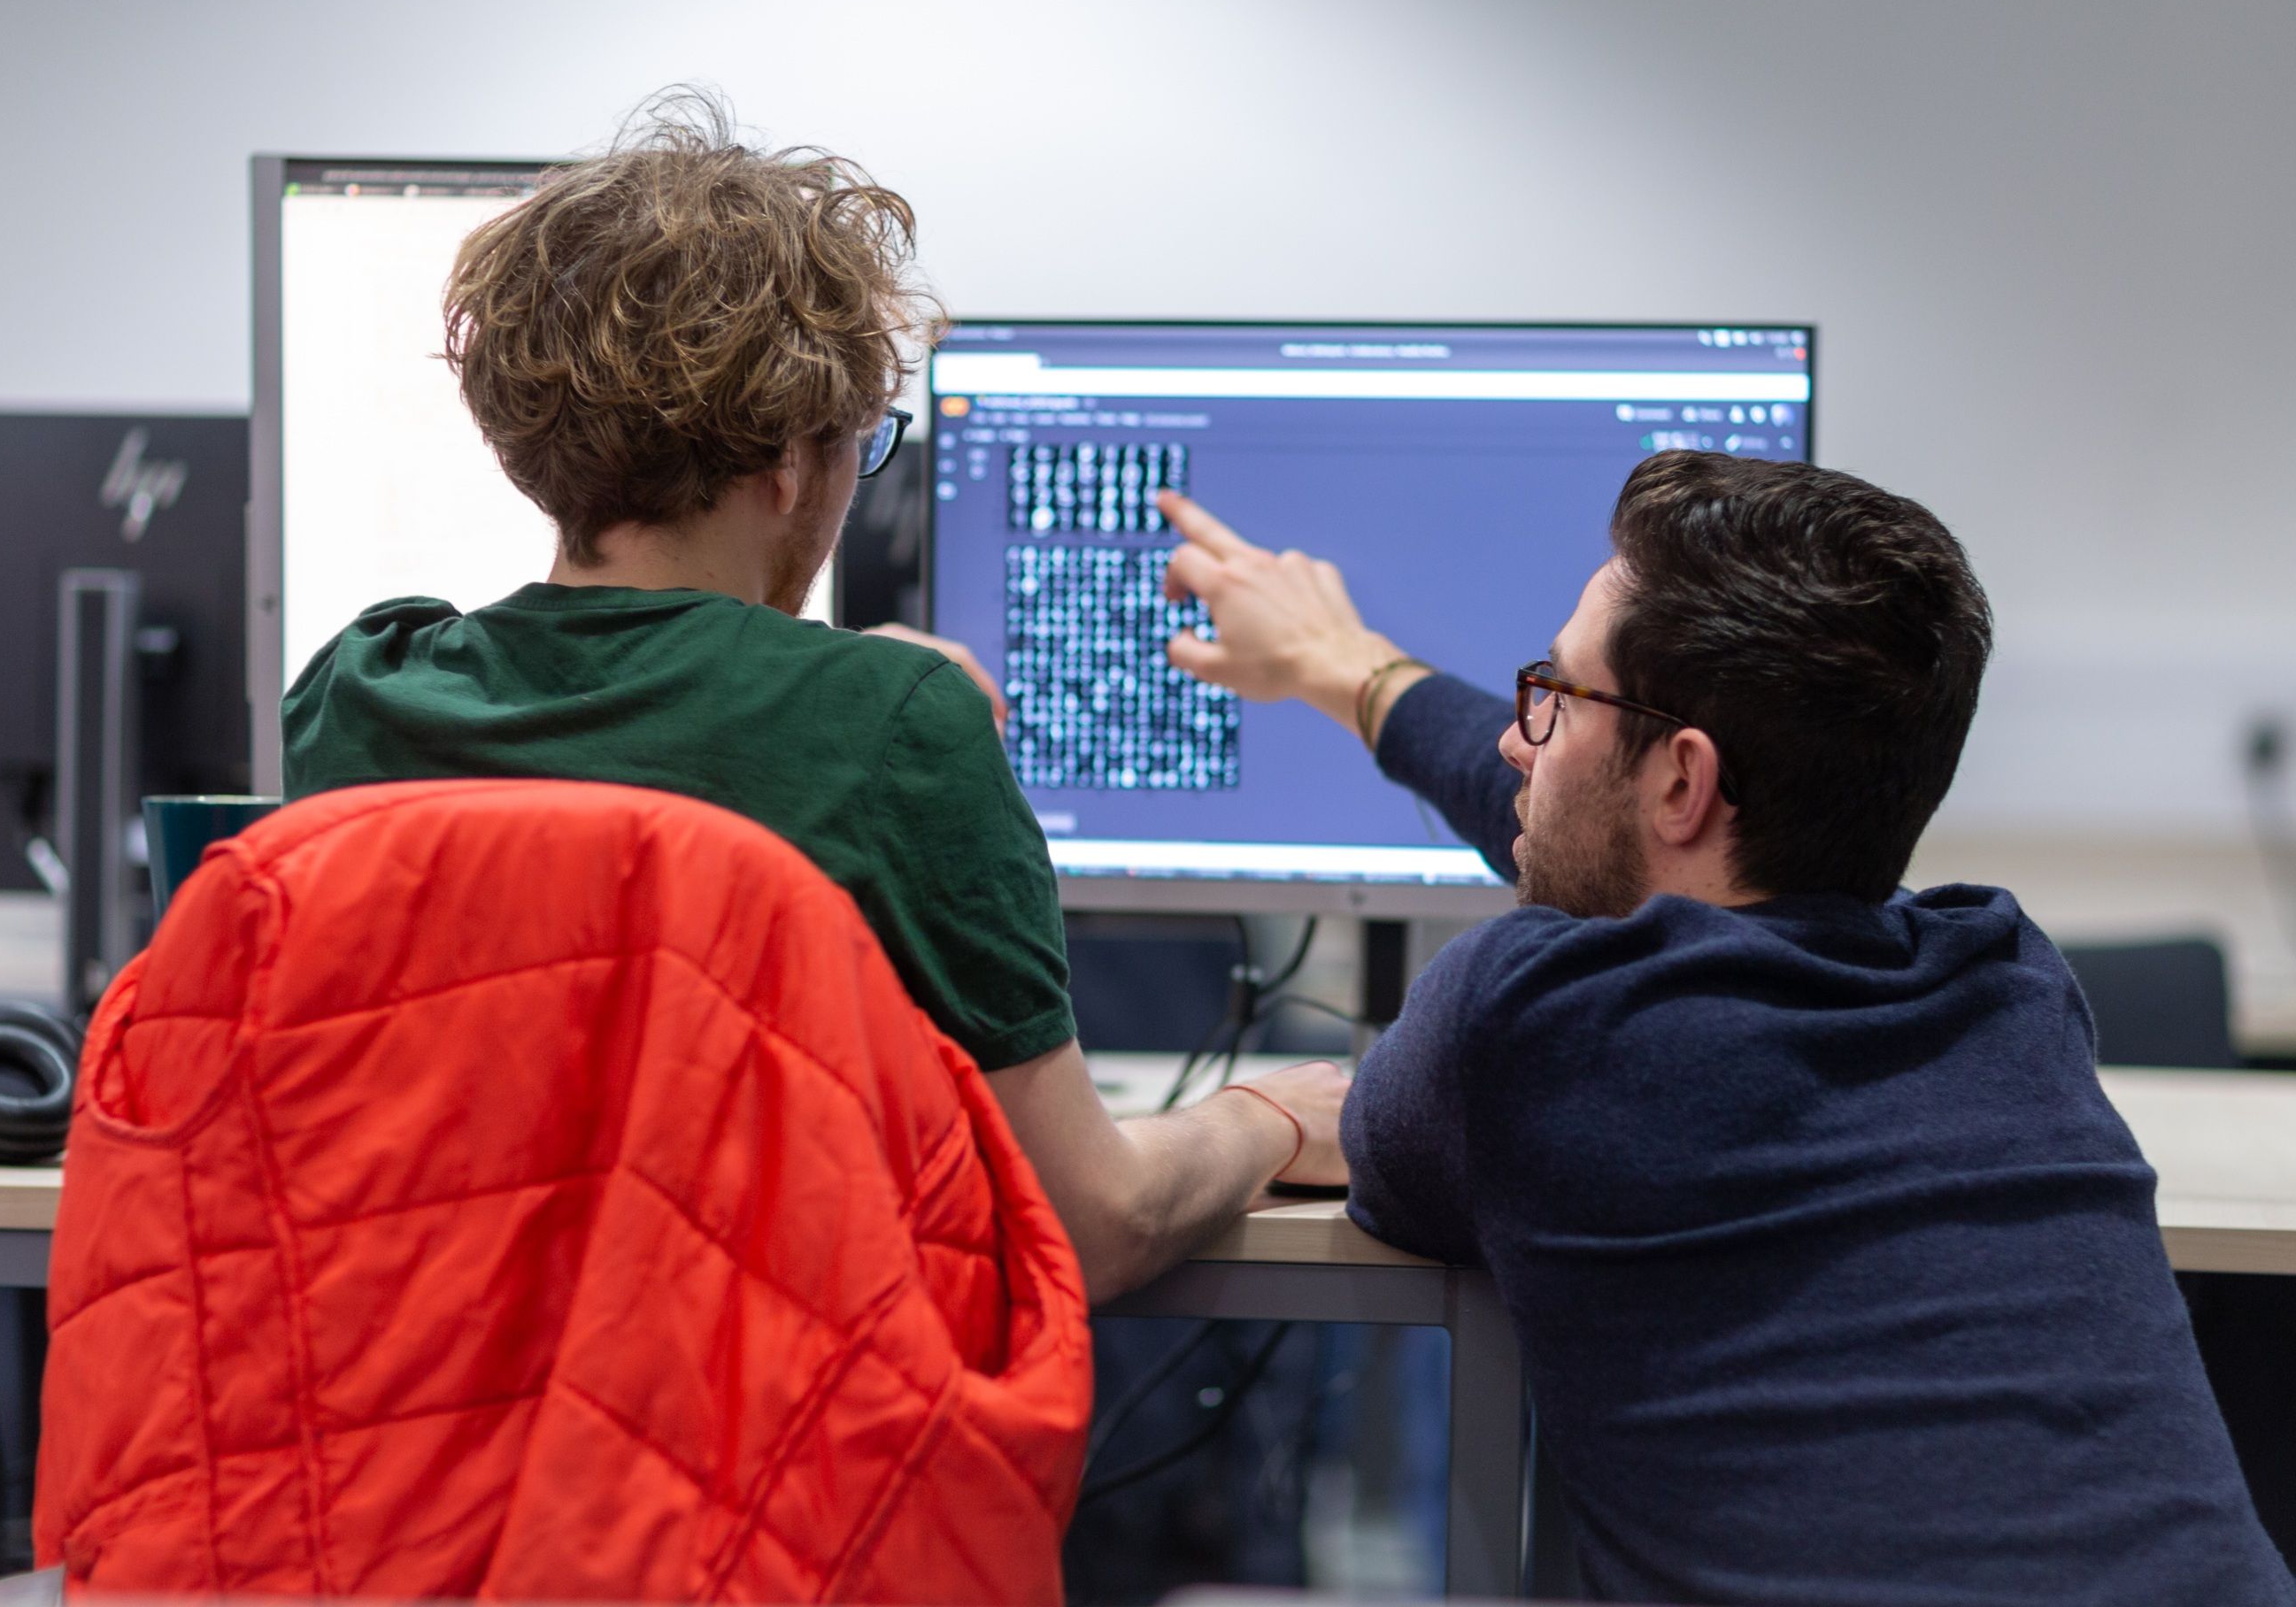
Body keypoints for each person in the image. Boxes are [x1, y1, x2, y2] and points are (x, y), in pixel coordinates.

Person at [1158, 455, 2294, 1604]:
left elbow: (1556, 874)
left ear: (1682, 784)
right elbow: (1576, 824)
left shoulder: (1535, 1024)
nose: (1516, 738)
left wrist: (1259, 1117)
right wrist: (1348, 671)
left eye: (1557, 695)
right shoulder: (2007, 977)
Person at [280, 96, 1344, 1302]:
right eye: (860, 438)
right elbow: (1089, 1225)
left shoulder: (363, 692)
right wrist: (1265, 1119)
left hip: (426, 1414)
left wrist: (851, 684)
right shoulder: (894, 729)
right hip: (745, 1446)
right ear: (791, 457)